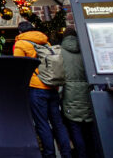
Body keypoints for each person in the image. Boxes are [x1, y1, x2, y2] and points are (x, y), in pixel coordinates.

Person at [14, 21, 72, 158]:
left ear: (20, 32)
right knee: (58, 123)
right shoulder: (45, 43)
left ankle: (49, 154)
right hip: (52, 86)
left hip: (35, 88)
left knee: (42, 123)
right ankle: (66, 153)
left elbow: (18, 67)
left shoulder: (21, 44)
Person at [59, 28, 95, 158]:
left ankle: (81, 155)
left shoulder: (60, 52)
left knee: (74, 127)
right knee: (89, 127)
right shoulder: (85, 50)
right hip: (86, 90)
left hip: (69, 91)